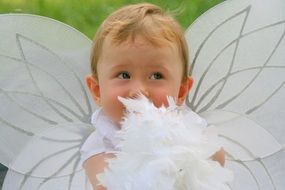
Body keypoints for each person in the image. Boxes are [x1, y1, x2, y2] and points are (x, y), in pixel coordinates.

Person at [81, 3, 225, 190]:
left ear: (181, 92)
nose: (139, 90)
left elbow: (217, 157)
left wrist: (192, 160)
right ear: (97, 90)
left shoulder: (186, 124)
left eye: (156, 76)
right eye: (124, 75)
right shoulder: (100, 144)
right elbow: (108, 184)